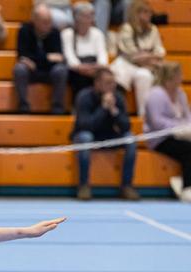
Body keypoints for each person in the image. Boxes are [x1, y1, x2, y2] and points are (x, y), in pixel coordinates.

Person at [71, 68, 140, 201]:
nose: (112, 86)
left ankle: (127, 186)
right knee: (86, 138)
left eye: (113, 82)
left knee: (130, 139)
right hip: (88, 135)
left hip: (110, 136)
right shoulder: (84, 97)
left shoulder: (118, 97)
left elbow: (126, 126)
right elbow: (86, 125)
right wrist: (103, 108)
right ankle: (83, 185)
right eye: (108, 82)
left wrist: (114, 111)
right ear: (97, 83)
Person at [144, 62, 191, 202]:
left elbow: (187, 115)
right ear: (171, 77)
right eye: (179, 74)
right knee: (189, 150)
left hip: (181, 134)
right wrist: (178, 128)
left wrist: (188, 128)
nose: (182, 77)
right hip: (160, 138)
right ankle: (187, 187)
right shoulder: (155, 95)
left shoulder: (180, 93)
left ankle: (181, 179)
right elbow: (156, 122)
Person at [109, 0, 164, 116]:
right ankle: (118, 113)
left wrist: (145, 55)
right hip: (127, 63)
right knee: (117, 74)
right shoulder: (126, 28)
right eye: (145, 12)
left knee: (145, 76)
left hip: (145, 66)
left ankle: (143, 116)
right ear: (136, 13)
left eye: (149, 12)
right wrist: (150, 55)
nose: (149, 15)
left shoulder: (153, 29)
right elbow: (131, 54)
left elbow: (160, 52)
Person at [13, 3, 68, 114]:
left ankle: (57, 107)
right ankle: (23, 106)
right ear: (34, 20)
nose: (48, 25)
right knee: (19, 69)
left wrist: (36, 60)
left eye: (49, 21)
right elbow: (23, 55)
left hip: (49, 71)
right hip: (31, 72)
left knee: (61, 70)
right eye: (44, 22)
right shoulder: (24, 30)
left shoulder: (55, 32)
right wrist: (47, 58)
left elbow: (59, 58)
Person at [61, 1, 109, 98]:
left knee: (105, 77)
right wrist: (82, 68)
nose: (88, 20)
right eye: (84, 16)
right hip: (77, 70)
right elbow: (69, 57)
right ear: (76, 18)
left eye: (90, 16)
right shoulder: (67, 34)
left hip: (95, 68)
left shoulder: (97, 33)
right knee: (79, 78)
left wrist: (97, 67)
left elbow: (102, 55)